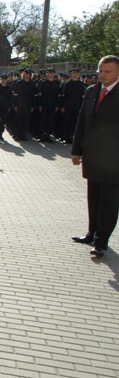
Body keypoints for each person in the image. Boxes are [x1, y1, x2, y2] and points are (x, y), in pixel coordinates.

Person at [71, 55, 119, 258]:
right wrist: (76, 150)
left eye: (108, 71)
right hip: (93, 155)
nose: (103, 75)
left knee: (109, 201)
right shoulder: (91, 91)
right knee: (93, 197)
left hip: (114, 160)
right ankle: (92, 233)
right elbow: (82, 121)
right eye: (101, 71)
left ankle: (101, 241)